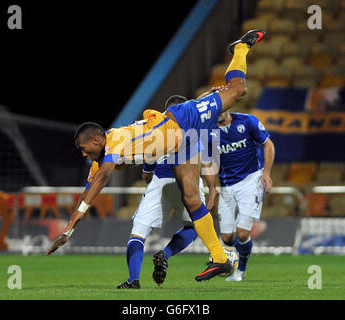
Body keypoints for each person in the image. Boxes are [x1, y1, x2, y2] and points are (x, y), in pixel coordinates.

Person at [45, 29, 266, 282]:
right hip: (178, 145)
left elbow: (103, 177)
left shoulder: (114, 142)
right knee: (191, 198)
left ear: (97, 140)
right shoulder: (99, 161)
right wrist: (69, 230)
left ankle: (240, 48)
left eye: (85, 150)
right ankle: (219, 258)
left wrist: (77, 216)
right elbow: (89, 192)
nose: (84, 155)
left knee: (238, 90)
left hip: (184, 119)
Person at [117, 95, 219, 289]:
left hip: (161, 181)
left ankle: (133, 280)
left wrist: (147, 173)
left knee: (137, 234)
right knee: (193, 227)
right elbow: (207, 163)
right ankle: (166, 253)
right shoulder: (196, 127)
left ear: (167, 110)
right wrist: (213, 189)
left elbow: (147, 168)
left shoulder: (157, 127)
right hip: (189, 181)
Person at [209, 109, 275, 281]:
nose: (219, 113)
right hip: (226, 186)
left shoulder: (247, 121)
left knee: (243, 234)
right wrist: (211, 188)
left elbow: (269, 144)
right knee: (227, 238)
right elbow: (207, 162)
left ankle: (240, 271)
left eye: (221, 109)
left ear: (228, 107)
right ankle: (233, 258)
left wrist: (266, 174)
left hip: (251, 181)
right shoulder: (209, 132)